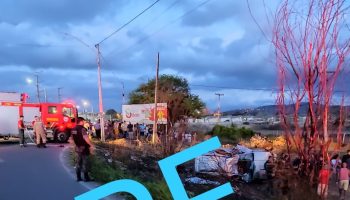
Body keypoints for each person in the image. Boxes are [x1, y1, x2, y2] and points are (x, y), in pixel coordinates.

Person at [70, 117, 94, 182]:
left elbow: (71, 139)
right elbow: (86, 138)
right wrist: (91, 145)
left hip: (78, 148)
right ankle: (86, 178)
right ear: (81, 121)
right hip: (84, 148)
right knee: (85, 163)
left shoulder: (73, 129)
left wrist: (74, 146)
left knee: (78, 163)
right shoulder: (82, 129)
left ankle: (78, 177)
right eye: (83, 121)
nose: (84, 122)